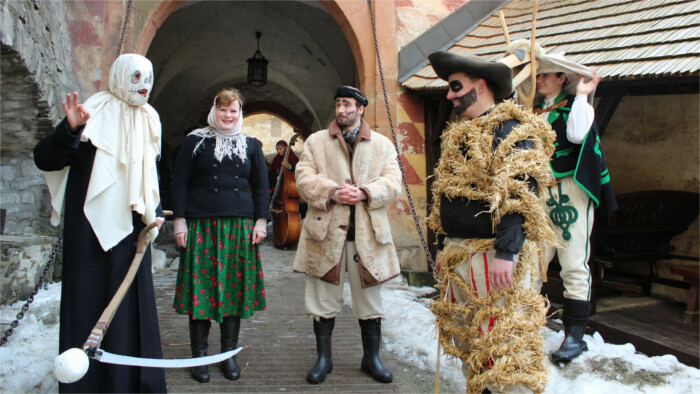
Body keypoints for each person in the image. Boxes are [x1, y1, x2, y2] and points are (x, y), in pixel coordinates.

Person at [33, 54, 167, 392]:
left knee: (129, 311)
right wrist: (70, 130)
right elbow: (45, 158)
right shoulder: (94, 110)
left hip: (133, 236)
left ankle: (134, 385)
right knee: (89, 304)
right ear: (121, 76)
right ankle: (86, 385)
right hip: (89, 235)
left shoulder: (149, 118)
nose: (144, 85)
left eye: (148, 78)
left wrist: (157, 212)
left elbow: (148, 175)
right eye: (136, 77)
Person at [426, 51, 556, 393]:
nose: (450, 94)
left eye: (456, 86)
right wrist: (443, 246)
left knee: (501, 348)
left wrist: (506, 253)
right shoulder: (461, 134)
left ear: (480, 86)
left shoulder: (510, 129)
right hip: (459, 255)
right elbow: (446, 195)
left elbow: (519, 193)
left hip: (490, 257)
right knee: (472, 344)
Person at [293, 86, 402, 384]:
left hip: (367, 236)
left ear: (361, 108)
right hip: (325, 234)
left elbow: (394, 182)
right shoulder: (316, 141)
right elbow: (302, 179)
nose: (341, 110)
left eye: (347, 105)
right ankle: (324, 359)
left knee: (370, 301)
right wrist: (332, 192)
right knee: (322, 299)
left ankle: (371, 358)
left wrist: (366, 192)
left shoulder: (382, 144)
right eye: (338, 104)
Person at [170, 88, 269, 383]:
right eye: (223, 110)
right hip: (202, 226)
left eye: (234, 110)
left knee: (233, 289)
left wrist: (261, 221)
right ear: (215, 111)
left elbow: (262, 187)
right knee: (201, 288)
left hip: (239, 227)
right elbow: (180, 184)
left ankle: (228, 354)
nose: (228, 115)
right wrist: (179, 222)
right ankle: (199, 355)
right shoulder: (195, 142)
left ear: (241, 113)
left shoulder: (251, 145)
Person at [533, 54, 617, 363]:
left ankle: (574, 335)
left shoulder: (575, 109)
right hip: (537, 194)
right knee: (532, 261)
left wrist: (582, 96)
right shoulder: (532, 113)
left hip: (568, 191)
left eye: (547, 74)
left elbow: (578, 135)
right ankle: (527, 325)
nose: (540, 79)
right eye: (538, 75)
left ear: (561, 79)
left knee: (572, 261)